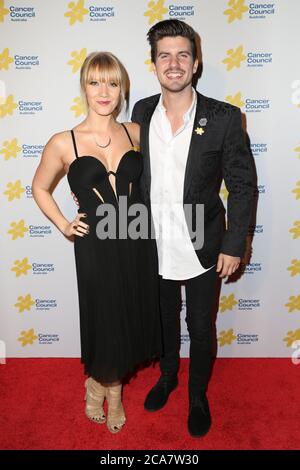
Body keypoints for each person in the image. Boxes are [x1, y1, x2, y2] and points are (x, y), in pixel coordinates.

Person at [131, 20, 255, 437]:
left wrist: (234, 243)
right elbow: (132, 170)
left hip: (204, 243)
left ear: (196, 62)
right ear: (153, 65)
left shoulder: (224, 117)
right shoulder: (142, 111)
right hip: (155, 242)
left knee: (200, 327)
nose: (174, 63)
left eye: (183, 54)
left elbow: (241, 186)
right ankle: (168, 377)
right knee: (165, 319)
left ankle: (197, 395)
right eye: (164, 55)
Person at [32, 51, 161, 434]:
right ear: (84, 87)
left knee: (130, 313)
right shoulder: (63, 141)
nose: (104, 91)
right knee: (105, 318)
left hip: (137, 238)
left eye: (113, 82)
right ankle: (108, 391)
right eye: (95, 82)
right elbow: (39, 187)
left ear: (122, 89)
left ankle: (102, 384)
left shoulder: (136, 132)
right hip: (96, 245)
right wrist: (63, 224)